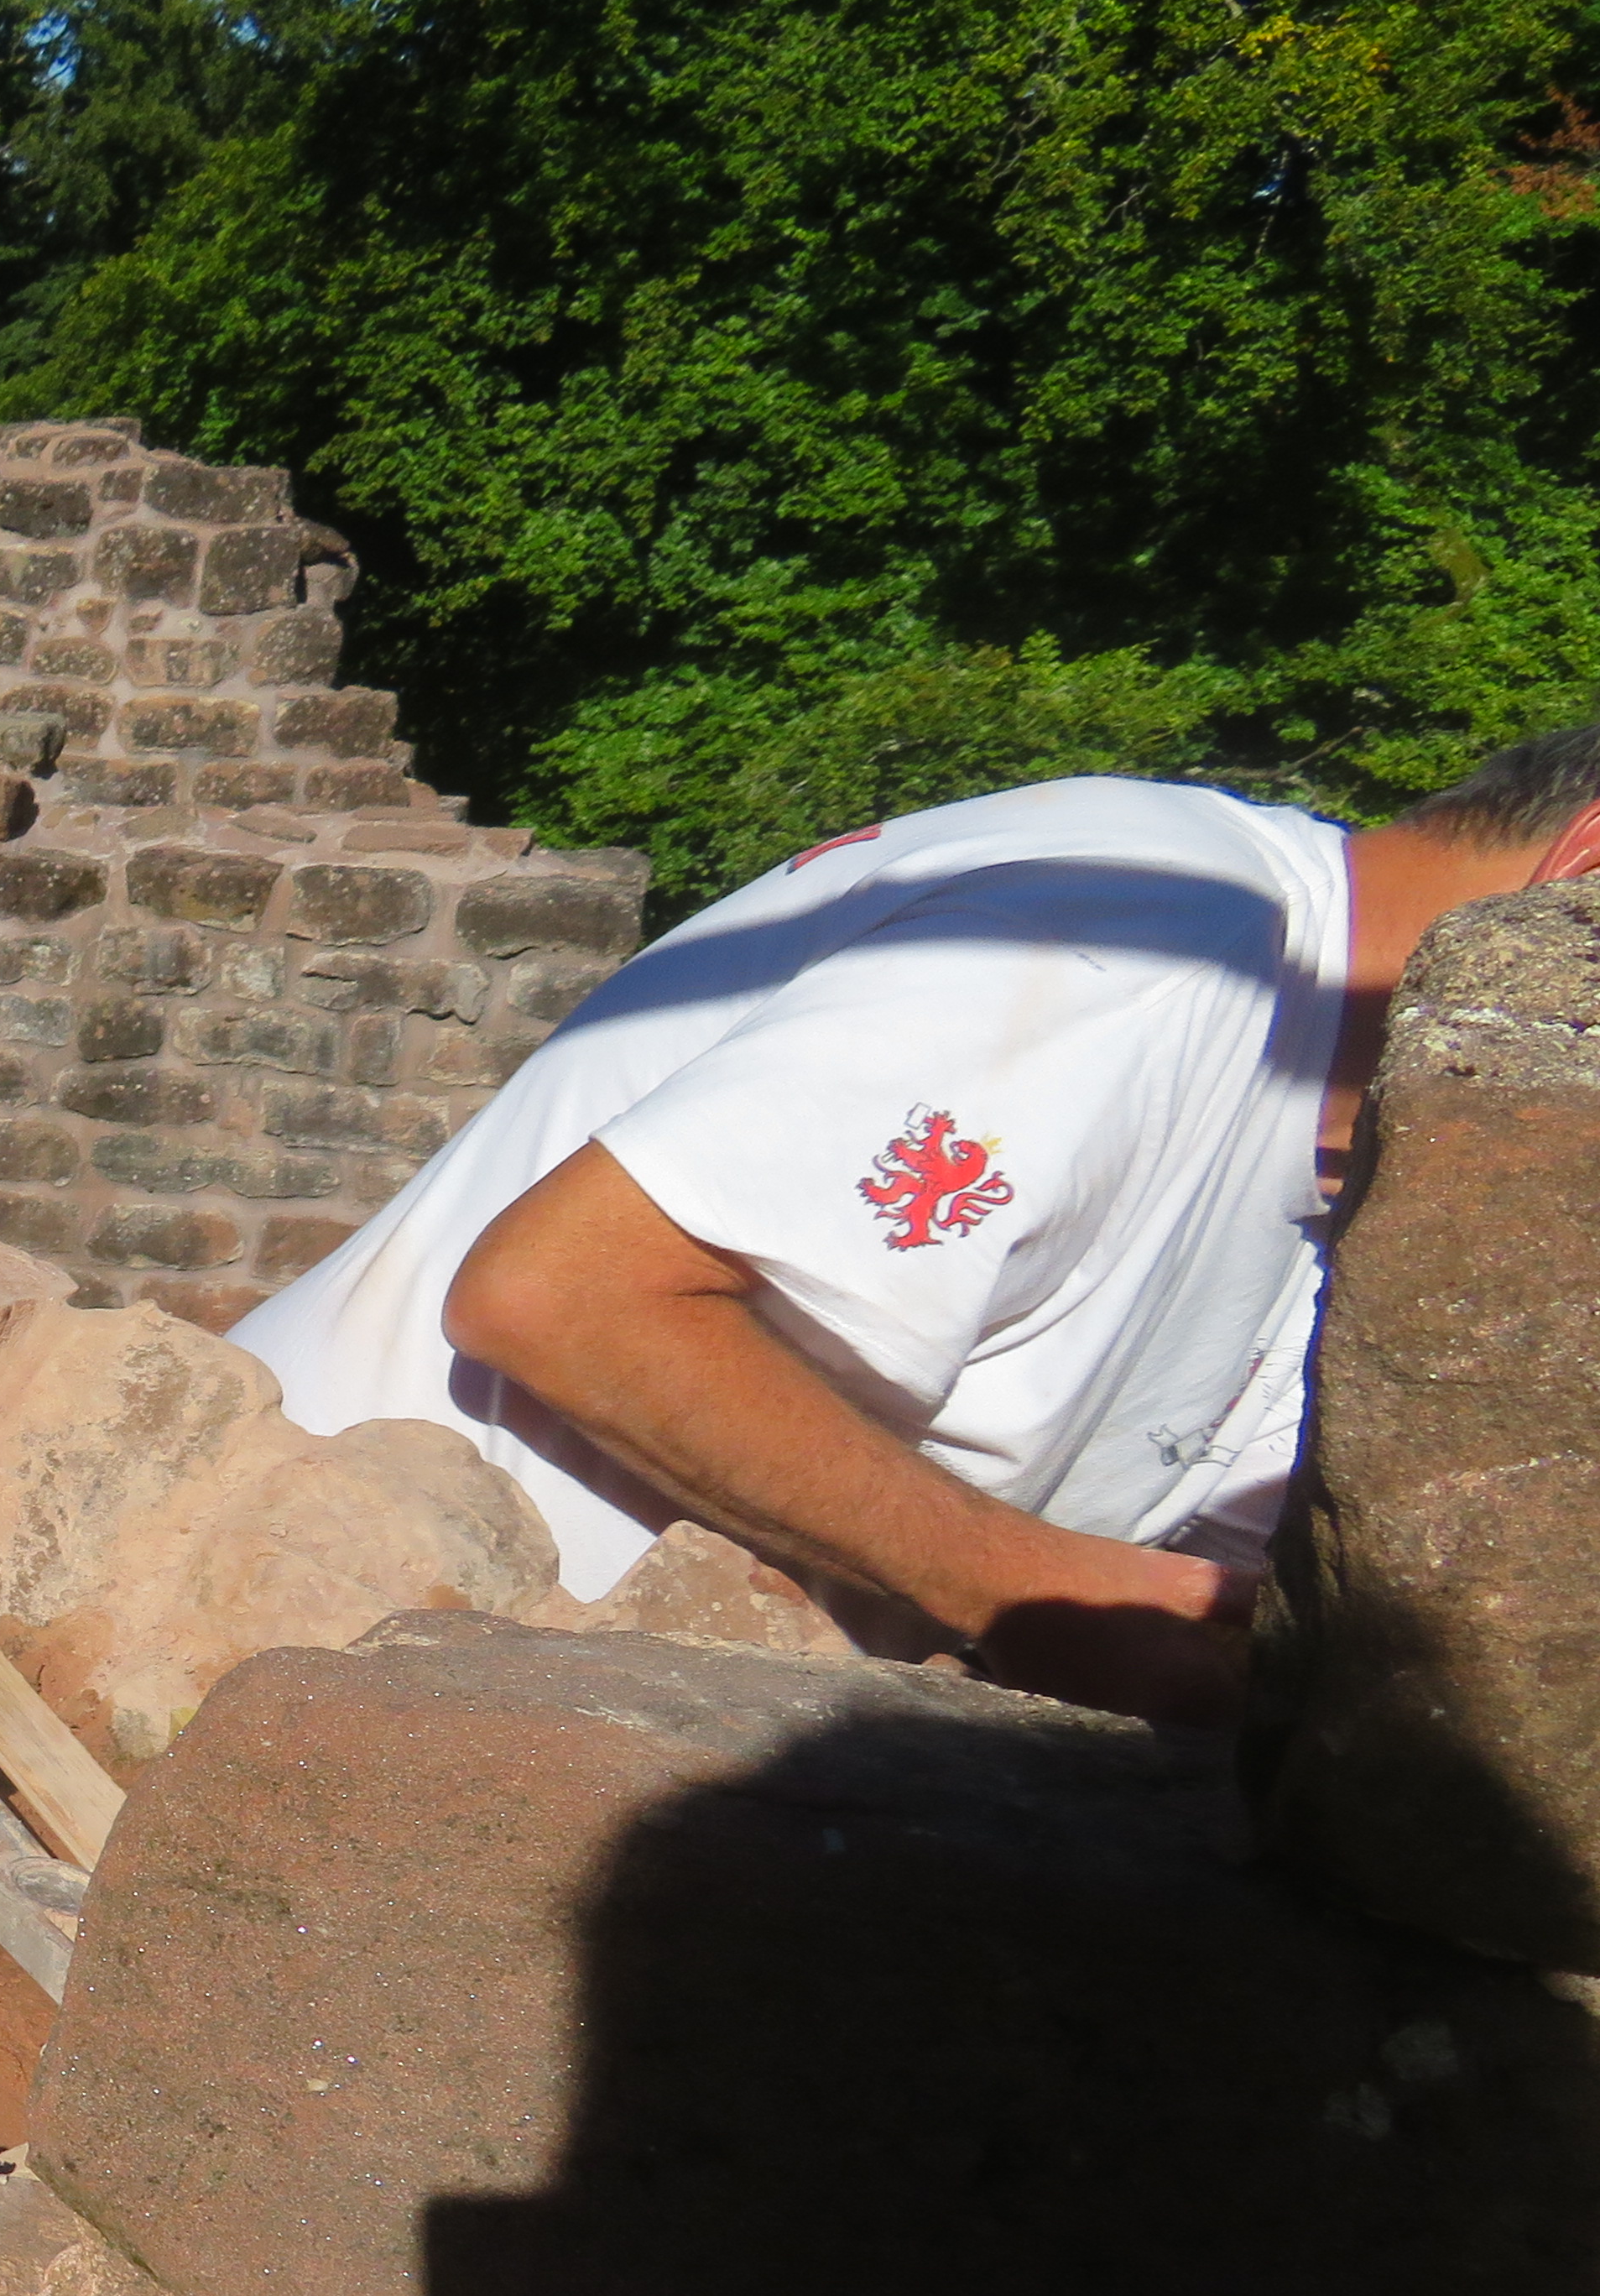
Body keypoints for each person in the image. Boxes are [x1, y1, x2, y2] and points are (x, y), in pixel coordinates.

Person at [231, 735, 1600, 1720]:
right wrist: (1038, 1597)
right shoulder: (1153, 939)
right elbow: (561, 1296)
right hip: (290, 1643)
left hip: (552, 1729)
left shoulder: (1392, 1159)